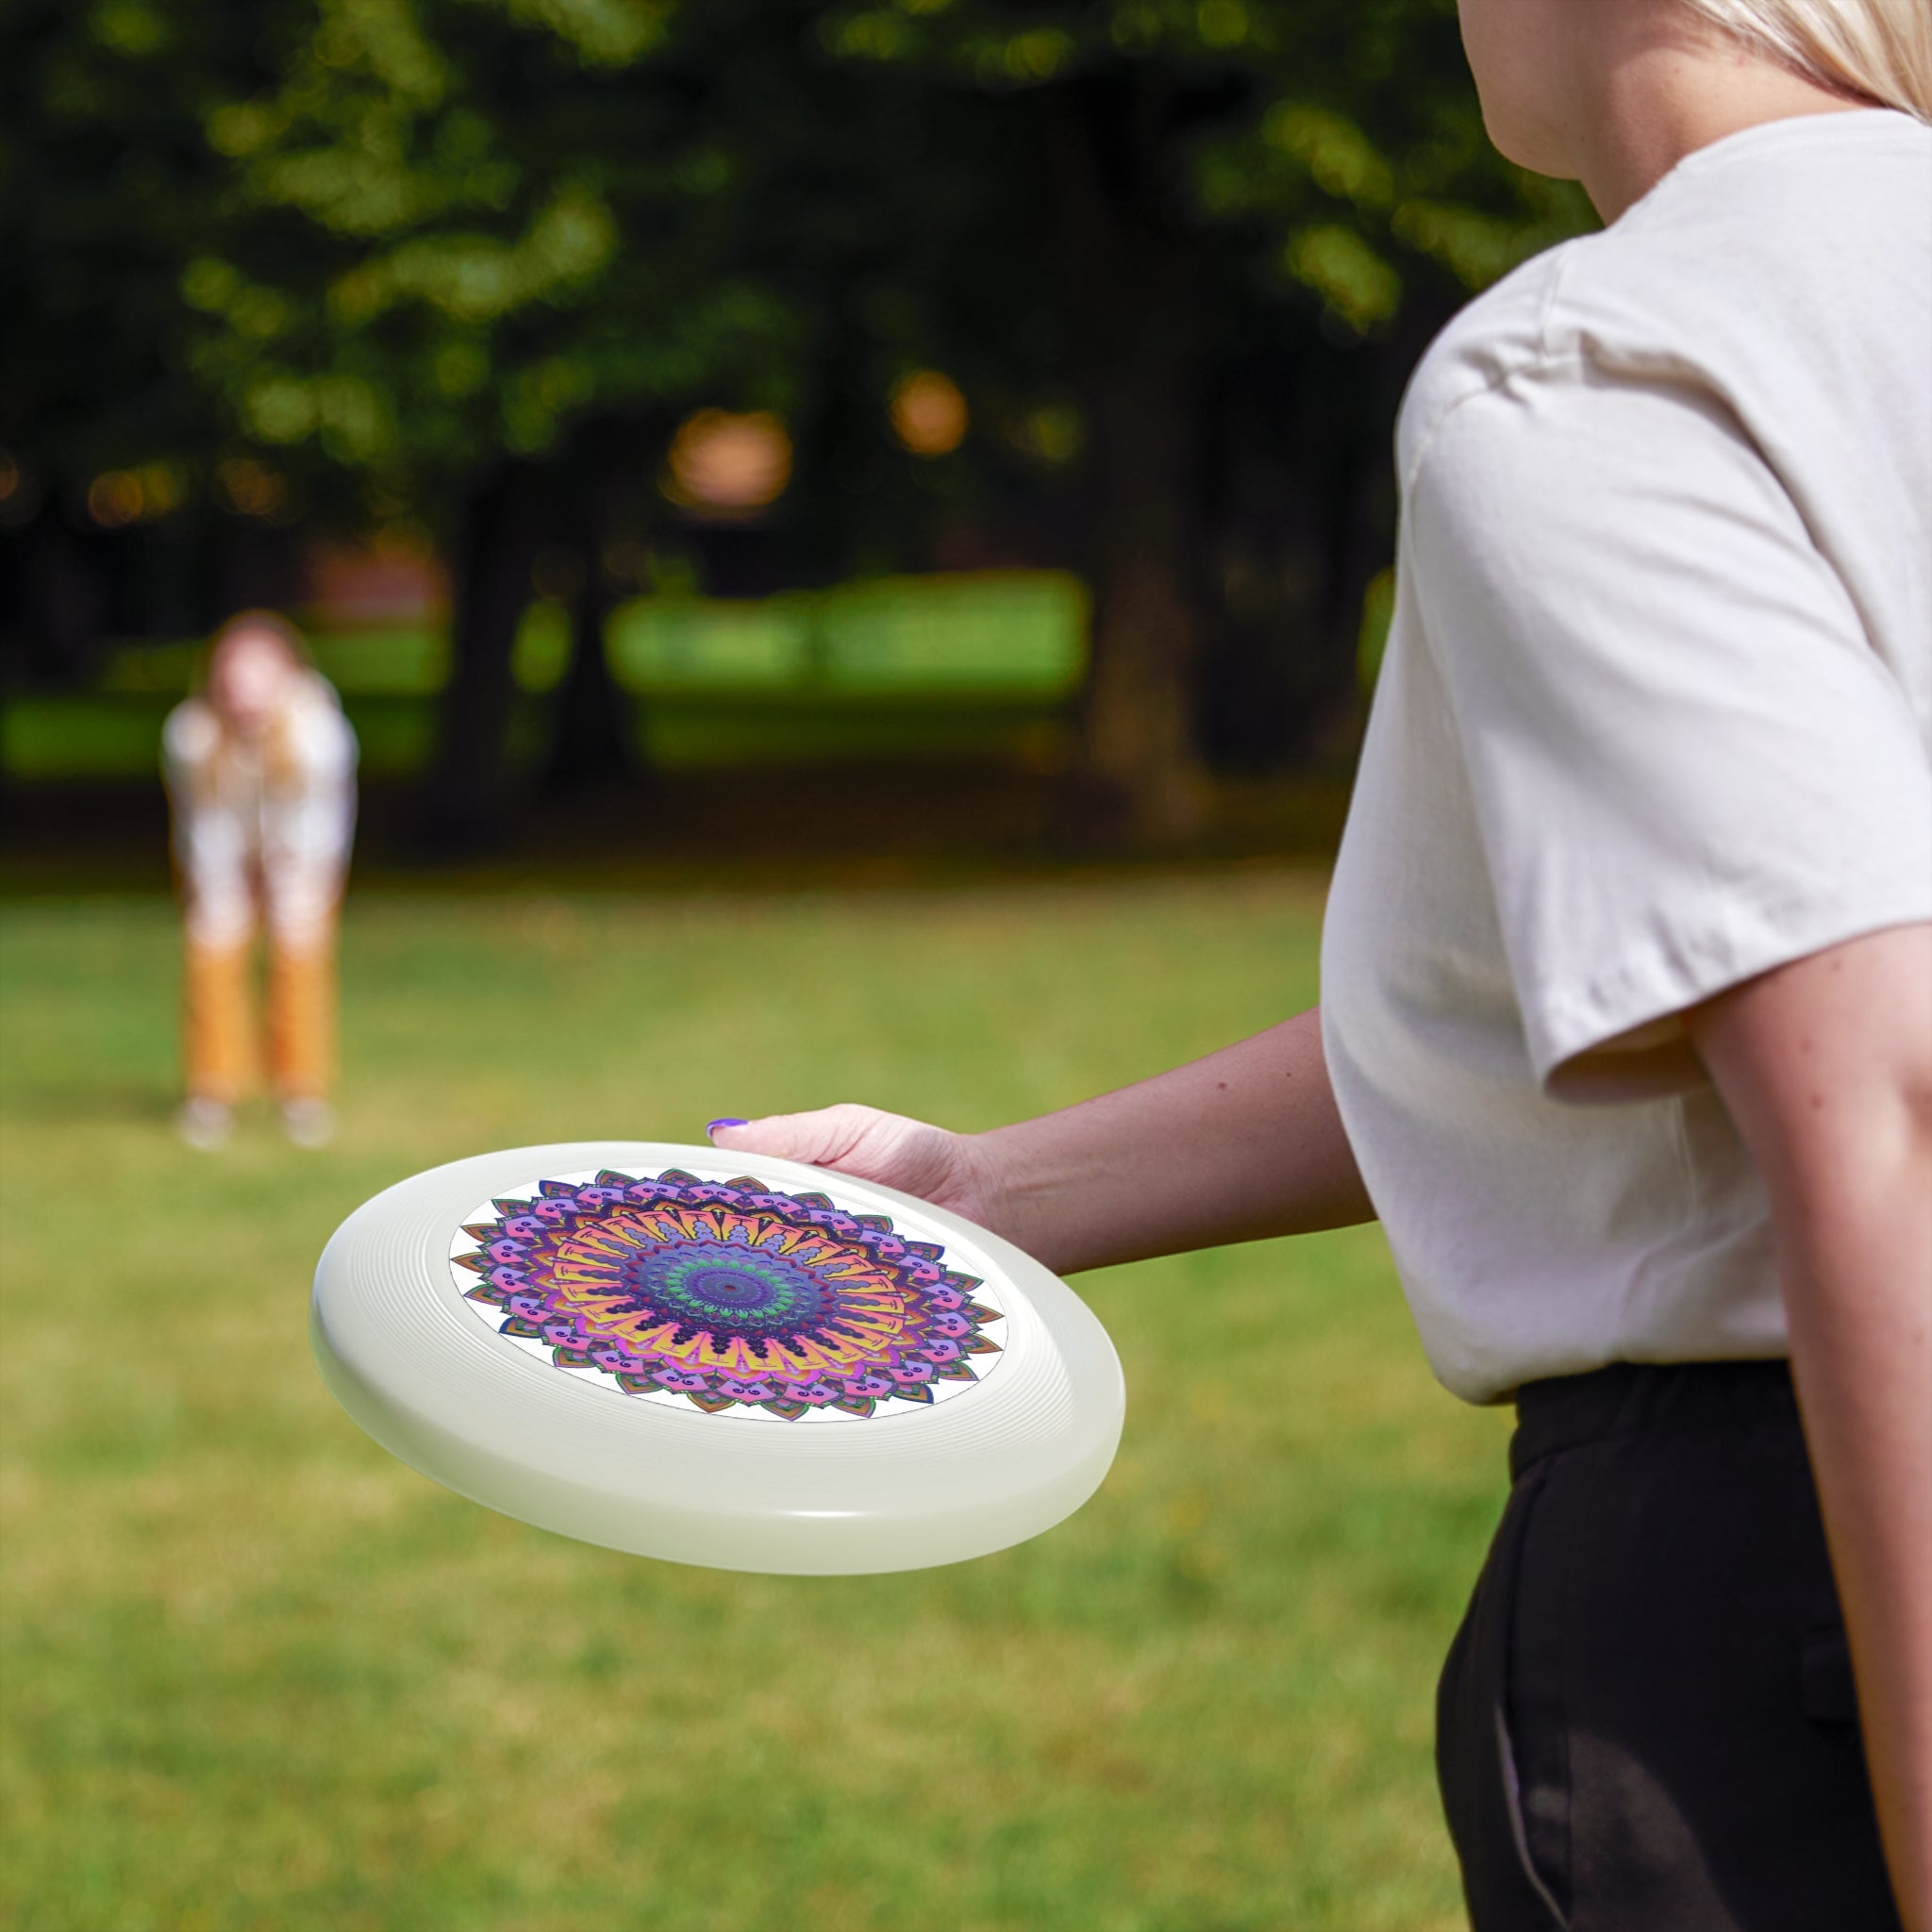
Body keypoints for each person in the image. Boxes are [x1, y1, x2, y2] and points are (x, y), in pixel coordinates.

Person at [703, 2, 1932, 1925]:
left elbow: (1885, 1101)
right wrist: (987, 1188)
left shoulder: (1611, 362)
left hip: (1794, 1594)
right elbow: (1627, 991)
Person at [162, 611, 358, 1150]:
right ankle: (212, 1091)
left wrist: (287, 881)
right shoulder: (191, 735)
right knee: (212, 953)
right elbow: (204, 823)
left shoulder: (319, 733)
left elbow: (317, 823)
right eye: (233, 675)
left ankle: (300, 1092)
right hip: (221, 857)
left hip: (302, 859)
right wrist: (225, 887)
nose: (244, 690)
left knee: (299, 959)